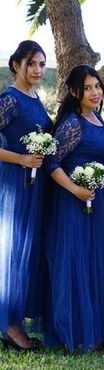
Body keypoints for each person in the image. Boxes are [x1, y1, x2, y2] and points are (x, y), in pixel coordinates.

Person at [44, 65, 104, 351]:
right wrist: (75, 188)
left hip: (98, 203)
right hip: (72, 201)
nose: (94, 92)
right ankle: (71, 330)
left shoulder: (97, 119)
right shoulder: (73, 123)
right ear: (75, 91)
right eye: (88, 88)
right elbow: (51, 162)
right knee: (73, 262)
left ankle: (93, 329)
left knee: (94, 261)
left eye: (97, 86)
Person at [0, 40, 51, 351]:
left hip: (36, 184)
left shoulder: (36, 98)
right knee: (12, 249)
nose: (37, 70)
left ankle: (16, 318)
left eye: (42, 64)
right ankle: (8, 324)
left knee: (28, 251)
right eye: (31, 63)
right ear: (17, 65)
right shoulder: (9, 99)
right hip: (13, 182)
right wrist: (21, 160)